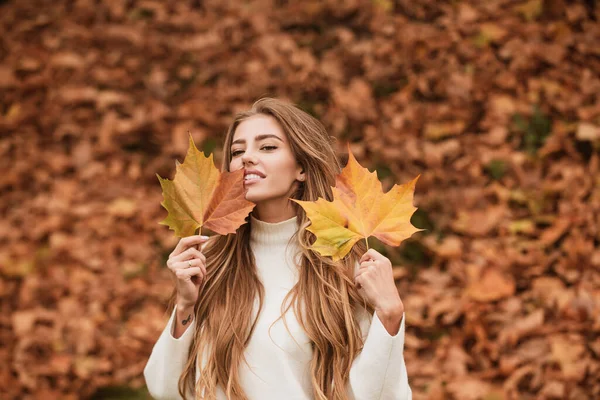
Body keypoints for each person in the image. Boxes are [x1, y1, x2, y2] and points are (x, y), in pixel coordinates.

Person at [144, 98, 411, 400]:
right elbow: (165, 389)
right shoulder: (209, 264)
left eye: (267, 147)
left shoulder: (344, 267)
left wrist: (389, 315)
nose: (247, 158)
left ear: (302, 168)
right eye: (237, 151)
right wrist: (185, 306)